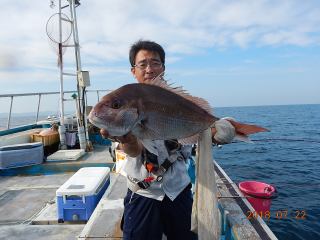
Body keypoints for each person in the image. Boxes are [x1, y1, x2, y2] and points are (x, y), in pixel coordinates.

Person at [100, 40, 235, 240]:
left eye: (155, 63)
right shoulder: (125, 103)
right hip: (143, 194)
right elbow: (134, 151)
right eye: (142, 64)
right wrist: (127, 140)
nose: (149, 69)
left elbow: (204, 133)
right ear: (133, 70)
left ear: (163, 68)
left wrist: (221, 131)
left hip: (178, 191)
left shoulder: (178, 100)